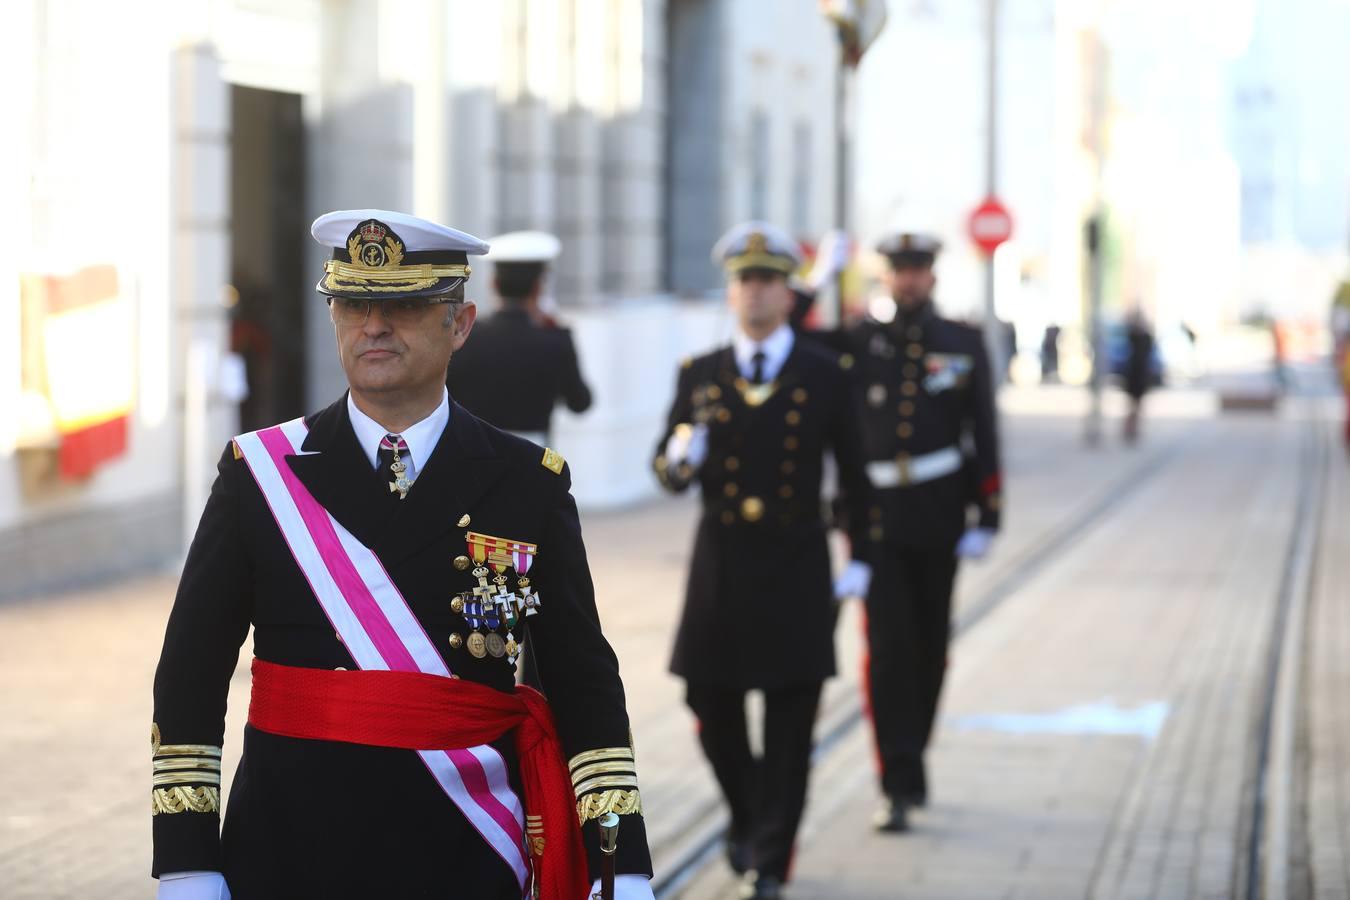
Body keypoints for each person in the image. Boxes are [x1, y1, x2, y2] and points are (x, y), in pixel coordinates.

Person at [151, 210, 653, 900]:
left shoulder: (525, 481)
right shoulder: (260, 472)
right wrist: (186, 860)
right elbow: (189, 674)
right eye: (353, 303)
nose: (373, 326)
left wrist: (619, 860)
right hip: (290, 845)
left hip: (464, 846)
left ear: (462, 323)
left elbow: (582, 679)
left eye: (405, 306)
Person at [652, 222, 876, 900]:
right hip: (721, 561)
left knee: (790, 714)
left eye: (768, 281)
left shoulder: (825, 374)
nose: (754, 293)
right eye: (744, 281)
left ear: (788, 293)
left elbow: (857, 472)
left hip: (795, 560)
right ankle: (751, 817)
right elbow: (665, 465)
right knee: (707, 697)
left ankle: (772, 861)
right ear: (731, 292)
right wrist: (677, 462)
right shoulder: (701, 373)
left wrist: (861, 554)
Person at [832, 231, 1002, 833]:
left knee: (929, 646)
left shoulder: (961, 341)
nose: (908, 279)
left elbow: (982, 423)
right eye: (898, 269)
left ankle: (915, 755)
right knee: (886, 651)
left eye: (918, 269)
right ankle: (896, 781)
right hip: (875, 516)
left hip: (939, 510)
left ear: (932, 275)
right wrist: (819, 279)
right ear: (886, 276)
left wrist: (990, 510)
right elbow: (797, 339)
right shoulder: (857, 341)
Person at [446, 230, 593, 445]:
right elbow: (580, 403)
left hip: (473, 452)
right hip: (534, 457)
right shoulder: (555, 340)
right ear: (537, 288)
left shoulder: (465, 337)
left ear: (494, 284)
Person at [1123, 310, 1156, 443]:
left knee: (1137, 406)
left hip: (1140, 375)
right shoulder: (1134, 336)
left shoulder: (1145, 337)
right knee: (1132, 406)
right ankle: (1129, 429)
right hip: (1134, 375)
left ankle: (1133, 429)